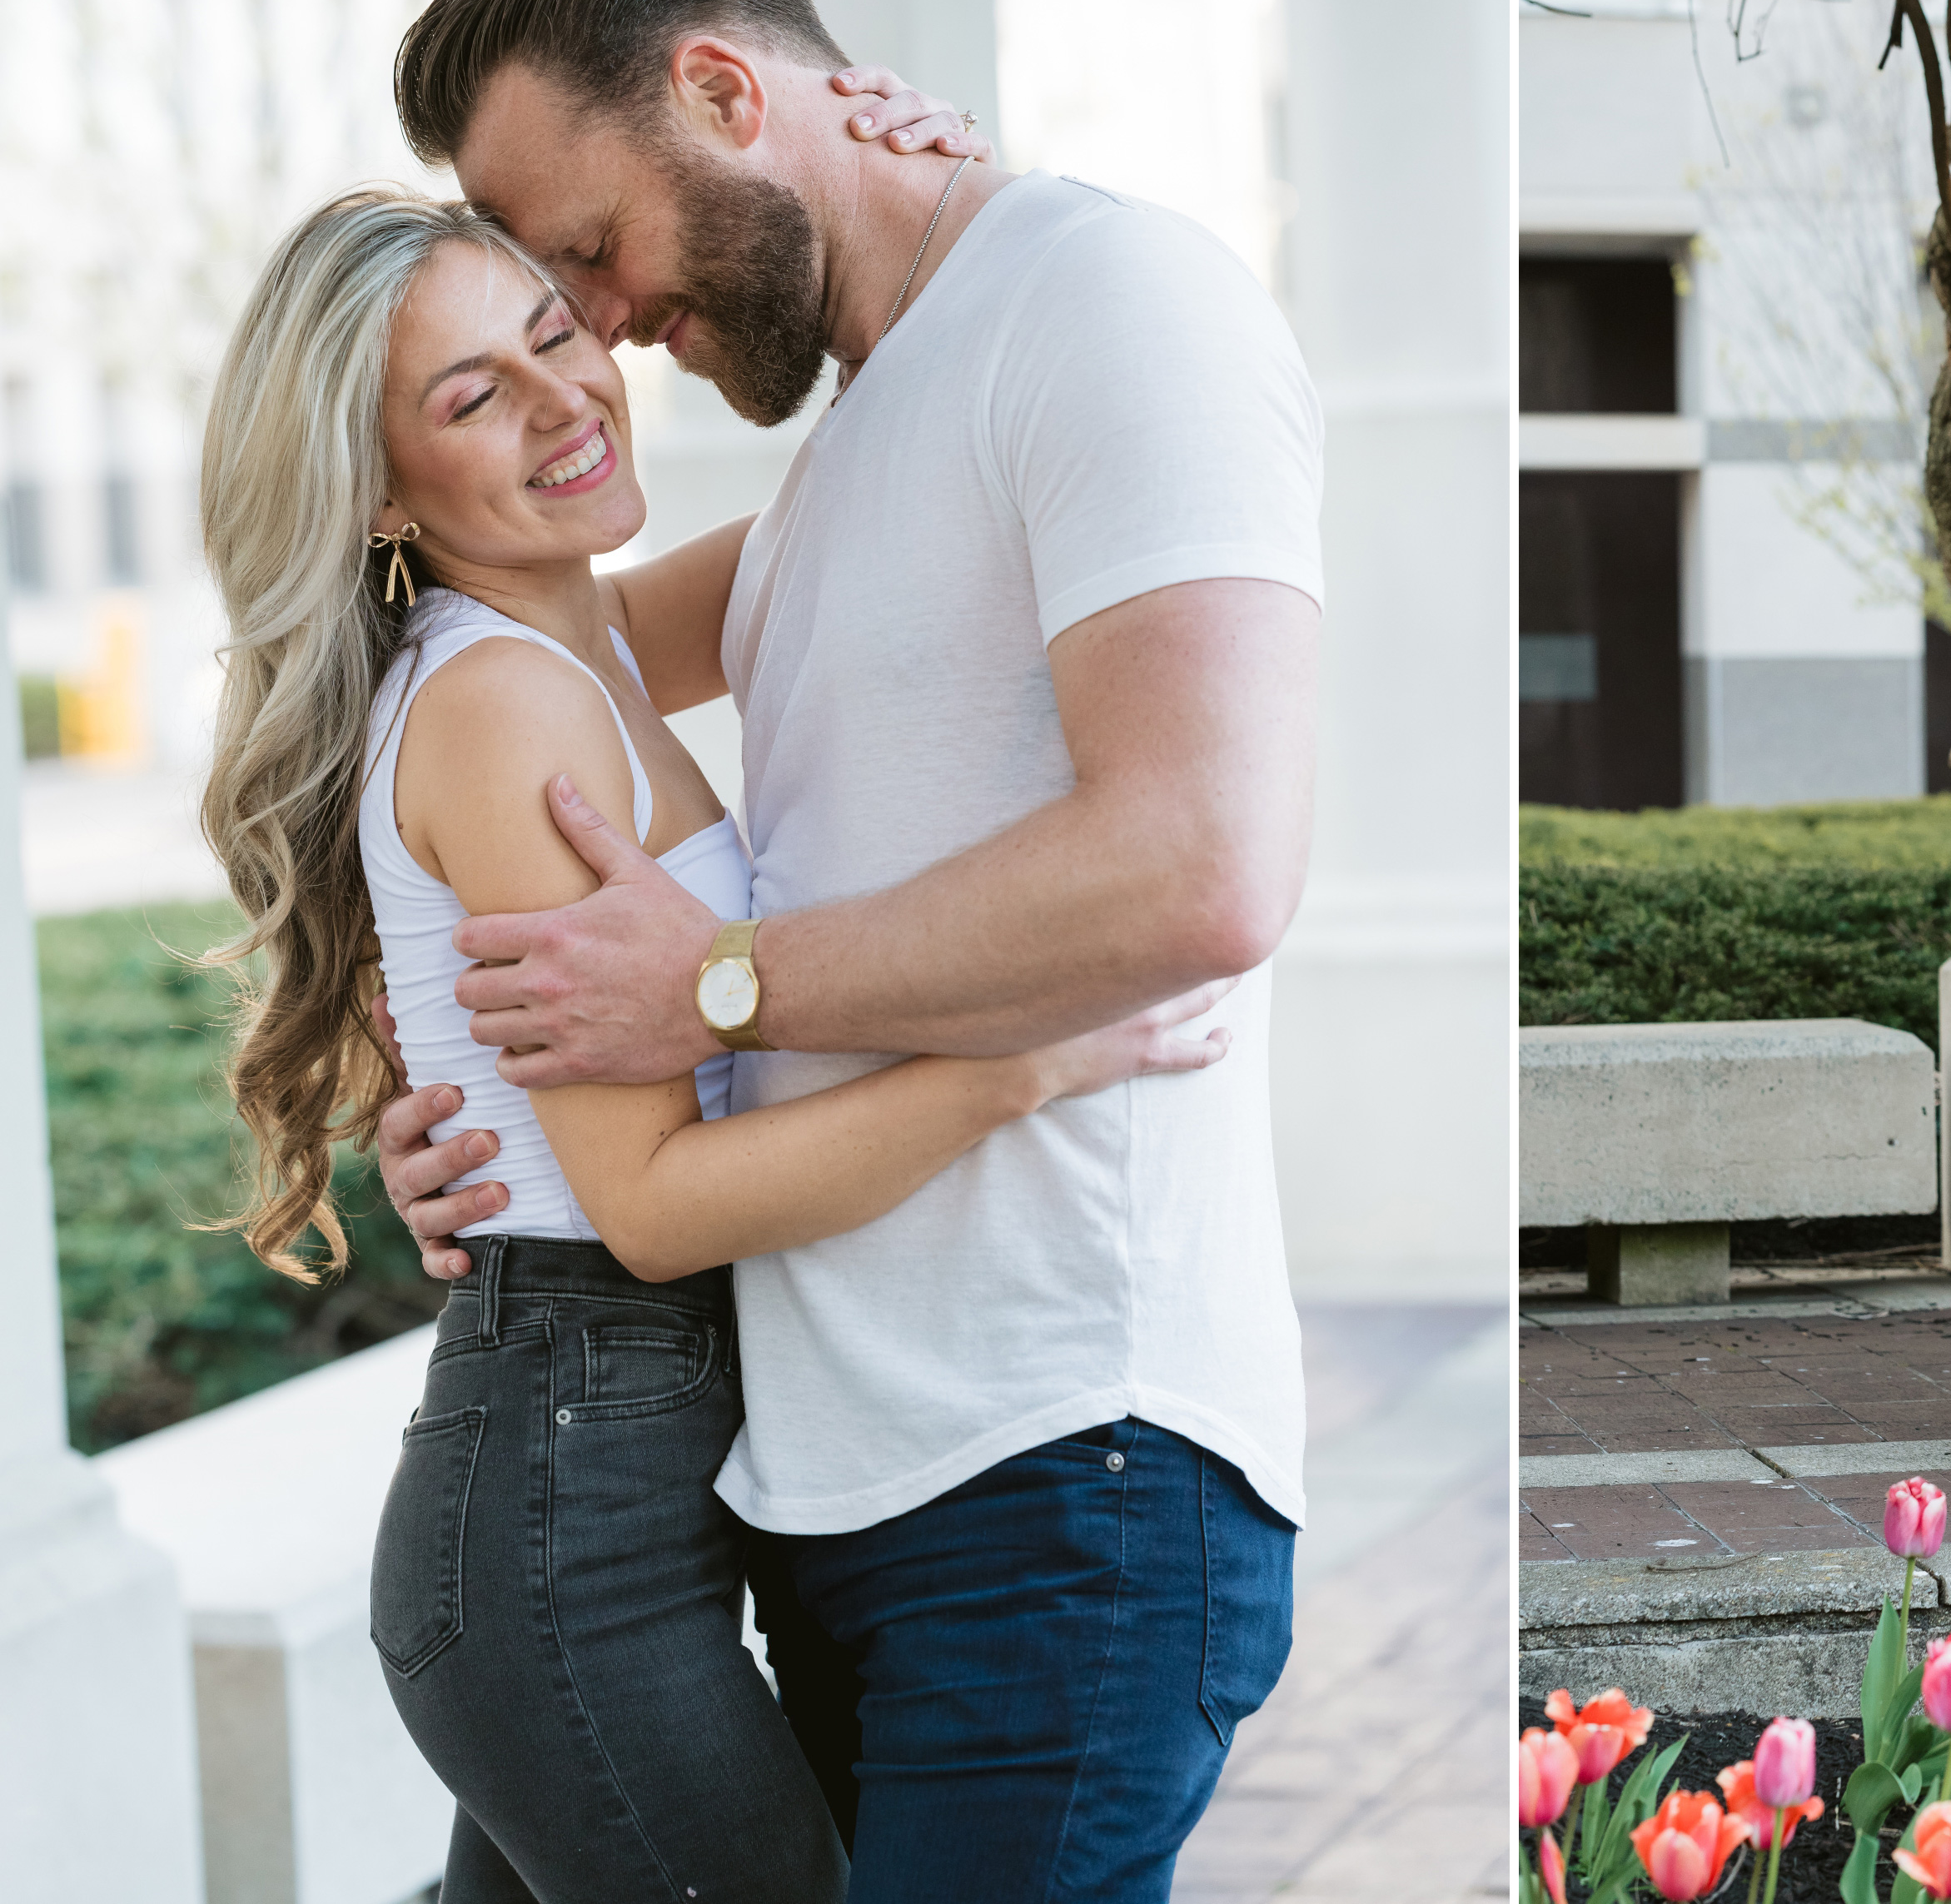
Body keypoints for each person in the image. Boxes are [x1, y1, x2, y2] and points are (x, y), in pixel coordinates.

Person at [358, 0, 1325, 1899]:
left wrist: (713, 986)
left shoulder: (1109, 300)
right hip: (827, 1476)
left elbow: (1207, 855)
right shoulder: (860, 427)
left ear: (723, 88)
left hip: (1073, 1456)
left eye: (586, 264)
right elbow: (508, 654)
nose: (596, 331)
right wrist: (455, 1075)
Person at [197, 188, 1235, 1901]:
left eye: (551, 336)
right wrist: (1013, 1066)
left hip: (595, 1475)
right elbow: (659, 1203)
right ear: (377, 492)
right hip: (565, 1510)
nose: (558, 402)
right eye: (468, 397)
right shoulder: (504, 699)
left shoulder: (578, 632)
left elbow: (911, 503)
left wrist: (924, 166)